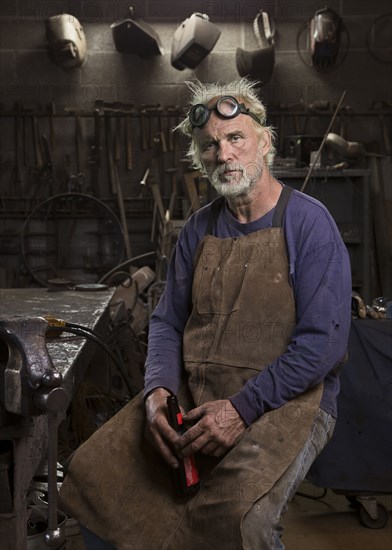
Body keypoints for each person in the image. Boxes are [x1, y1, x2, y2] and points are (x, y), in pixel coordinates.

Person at [59, 78, 352, 550]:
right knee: (94, 480)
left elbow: (324, 343)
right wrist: (157, 391)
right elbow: (167, 322)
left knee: (240, 522)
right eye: (209, 145)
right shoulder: (198, 228)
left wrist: (242, 408)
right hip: (196, 396)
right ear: (200, 158)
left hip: (287, 404)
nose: (224, 153)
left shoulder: (308, 223)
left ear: (264, 142)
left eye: (235, 137)